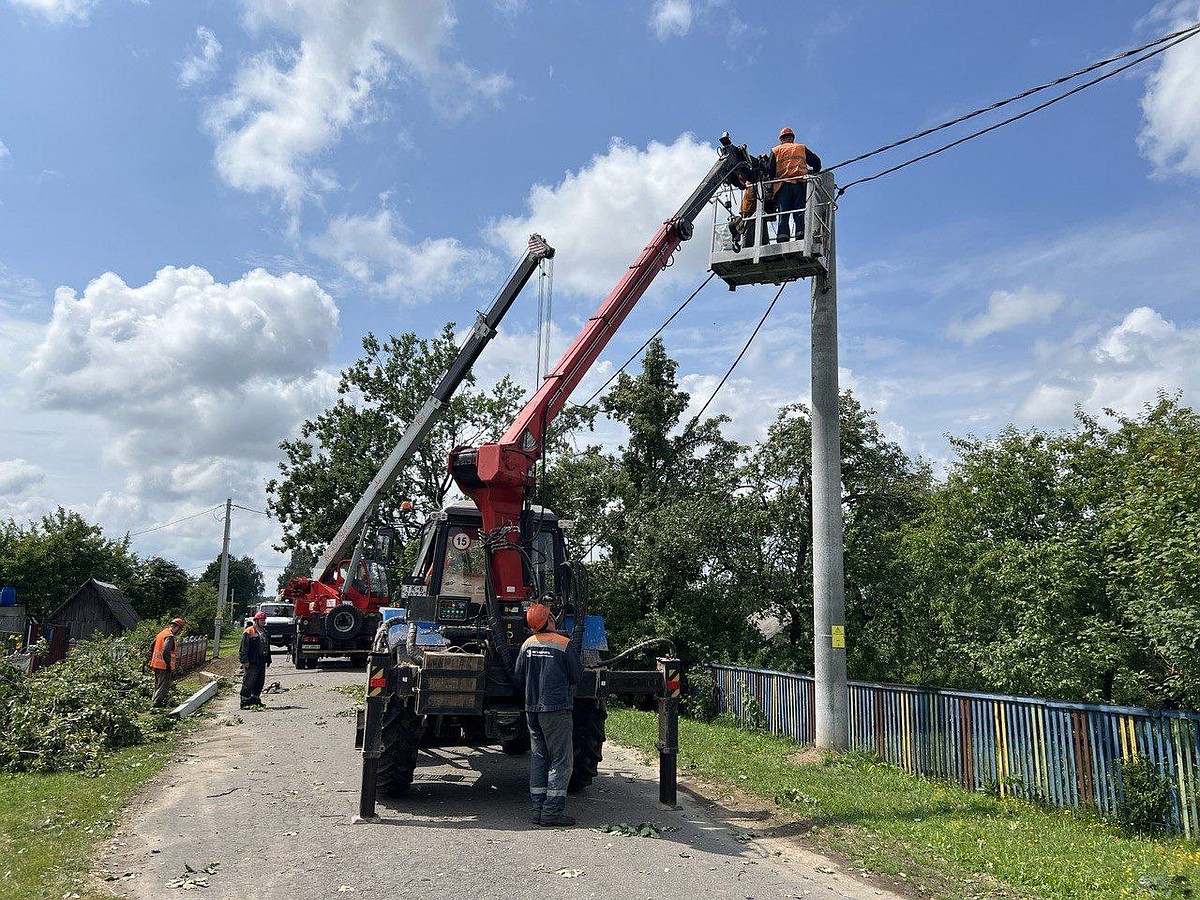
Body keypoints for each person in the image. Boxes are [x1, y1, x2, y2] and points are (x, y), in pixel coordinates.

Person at [514, 603, 583, 827]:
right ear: (550, 620)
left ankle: (538, 810)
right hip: (556, 709)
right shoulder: (564, 644)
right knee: (561, 760)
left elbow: (519, 676)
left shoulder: (526, 644)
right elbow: (576, 676)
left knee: (539, 757)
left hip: (532, 708)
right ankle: (552, 812)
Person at [768, 126, 822, 243]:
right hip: (798, 185)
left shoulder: (775, 150)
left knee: (784, 214)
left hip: (782, 187)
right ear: (792, 138)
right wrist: (813, 172)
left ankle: (782, 238)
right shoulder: (801, 148)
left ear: (781, 139)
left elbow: (770, 170)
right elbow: (817, 162)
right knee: (799, 213)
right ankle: (801, 236)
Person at [149, 617, 186, 707]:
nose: (179, 632)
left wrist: (154, 658)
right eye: (180, 630)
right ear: (177, 627)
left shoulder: (162, 633)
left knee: (157, 685)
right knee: (163, 686)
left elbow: (152, 646)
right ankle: (156, 705)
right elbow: (166, 650)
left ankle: (154, 702)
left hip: (156, 664)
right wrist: (168, 664)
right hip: (164, 665)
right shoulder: (169, 636)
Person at [239, 610, 271, 709]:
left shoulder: (264, 632)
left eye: (264, 620)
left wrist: (268, 659)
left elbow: (267, 646)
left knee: (260, 681)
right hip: (252, 661)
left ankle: (255, 700)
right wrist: (245, 661)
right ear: (256, 621)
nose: (264, 622)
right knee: (249, 681)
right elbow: (243, 648)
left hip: (261, 661)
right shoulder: (249, 631)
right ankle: (244, 702)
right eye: (262, 620)